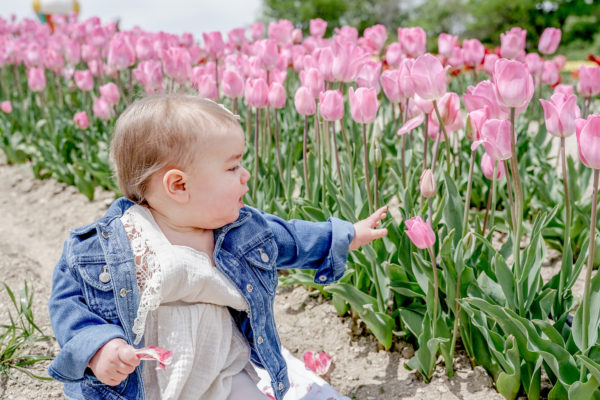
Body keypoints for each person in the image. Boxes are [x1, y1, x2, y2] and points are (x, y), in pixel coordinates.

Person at [48, 94, 388, 400]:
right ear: (179, 185)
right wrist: (99, 347)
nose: (246, 175)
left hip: (222, 374)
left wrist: (345, 235)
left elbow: (291, 237)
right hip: (141, 384)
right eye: (232, 166)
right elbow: (69, 305)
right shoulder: (105, 250)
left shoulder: (240, 230)